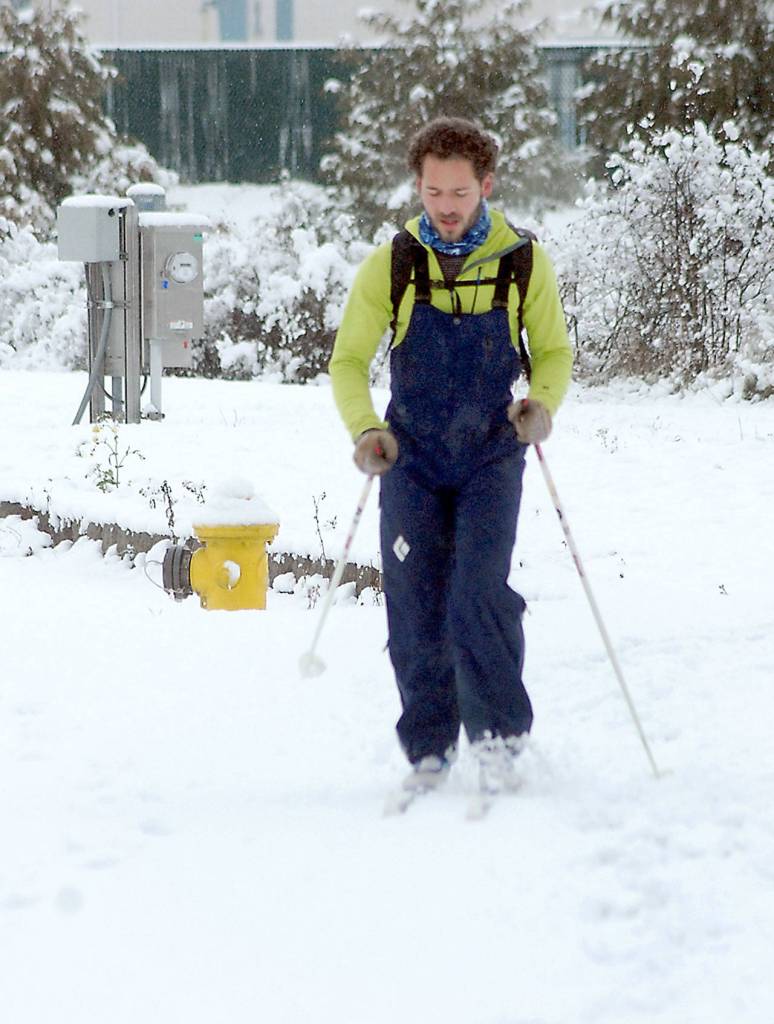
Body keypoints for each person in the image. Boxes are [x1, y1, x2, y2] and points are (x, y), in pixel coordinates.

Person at [329, 117, 572, 792]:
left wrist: (541, 404)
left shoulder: (521, 260)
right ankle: (428, 746)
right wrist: (365, 430)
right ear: (420, 186)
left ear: (485, 186)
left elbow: (552, 350)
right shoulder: (396, 262)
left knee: (477, 594)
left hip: (493, 453)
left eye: (459, 192)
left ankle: (497, 738)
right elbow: (348, 361)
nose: (445, 205)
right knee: (414, 600)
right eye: (433, 191)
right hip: (411, 454)